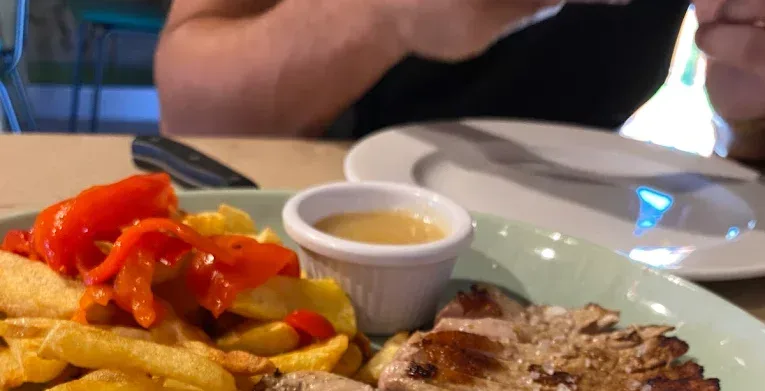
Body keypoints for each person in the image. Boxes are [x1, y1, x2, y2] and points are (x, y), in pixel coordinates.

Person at [155, 0, 765, 162]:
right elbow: (195, 110)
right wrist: (382, 13)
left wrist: (748, 117)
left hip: (612, 246)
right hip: (326, 228)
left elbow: (745, 133)